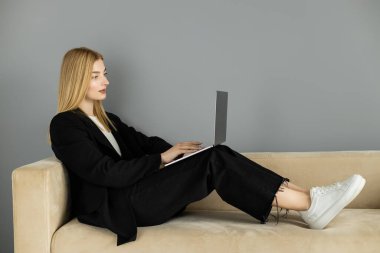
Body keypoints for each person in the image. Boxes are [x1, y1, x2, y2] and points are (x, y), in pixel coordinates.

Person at [49, 47, 366, 246]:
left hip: (137, 193)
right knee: (214, 160)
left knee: (215, 154)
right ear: (77, 79)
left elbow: (145, 144)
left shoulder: (110, 119)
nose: (105, 81)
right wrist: (162, 158)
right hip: (121, 206)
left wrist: (182, 154)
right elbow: (106, 173)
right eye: (95, 76)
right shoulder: (65, 125)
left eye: (105, 74)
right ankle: (311, 204)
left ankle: (309, 201)